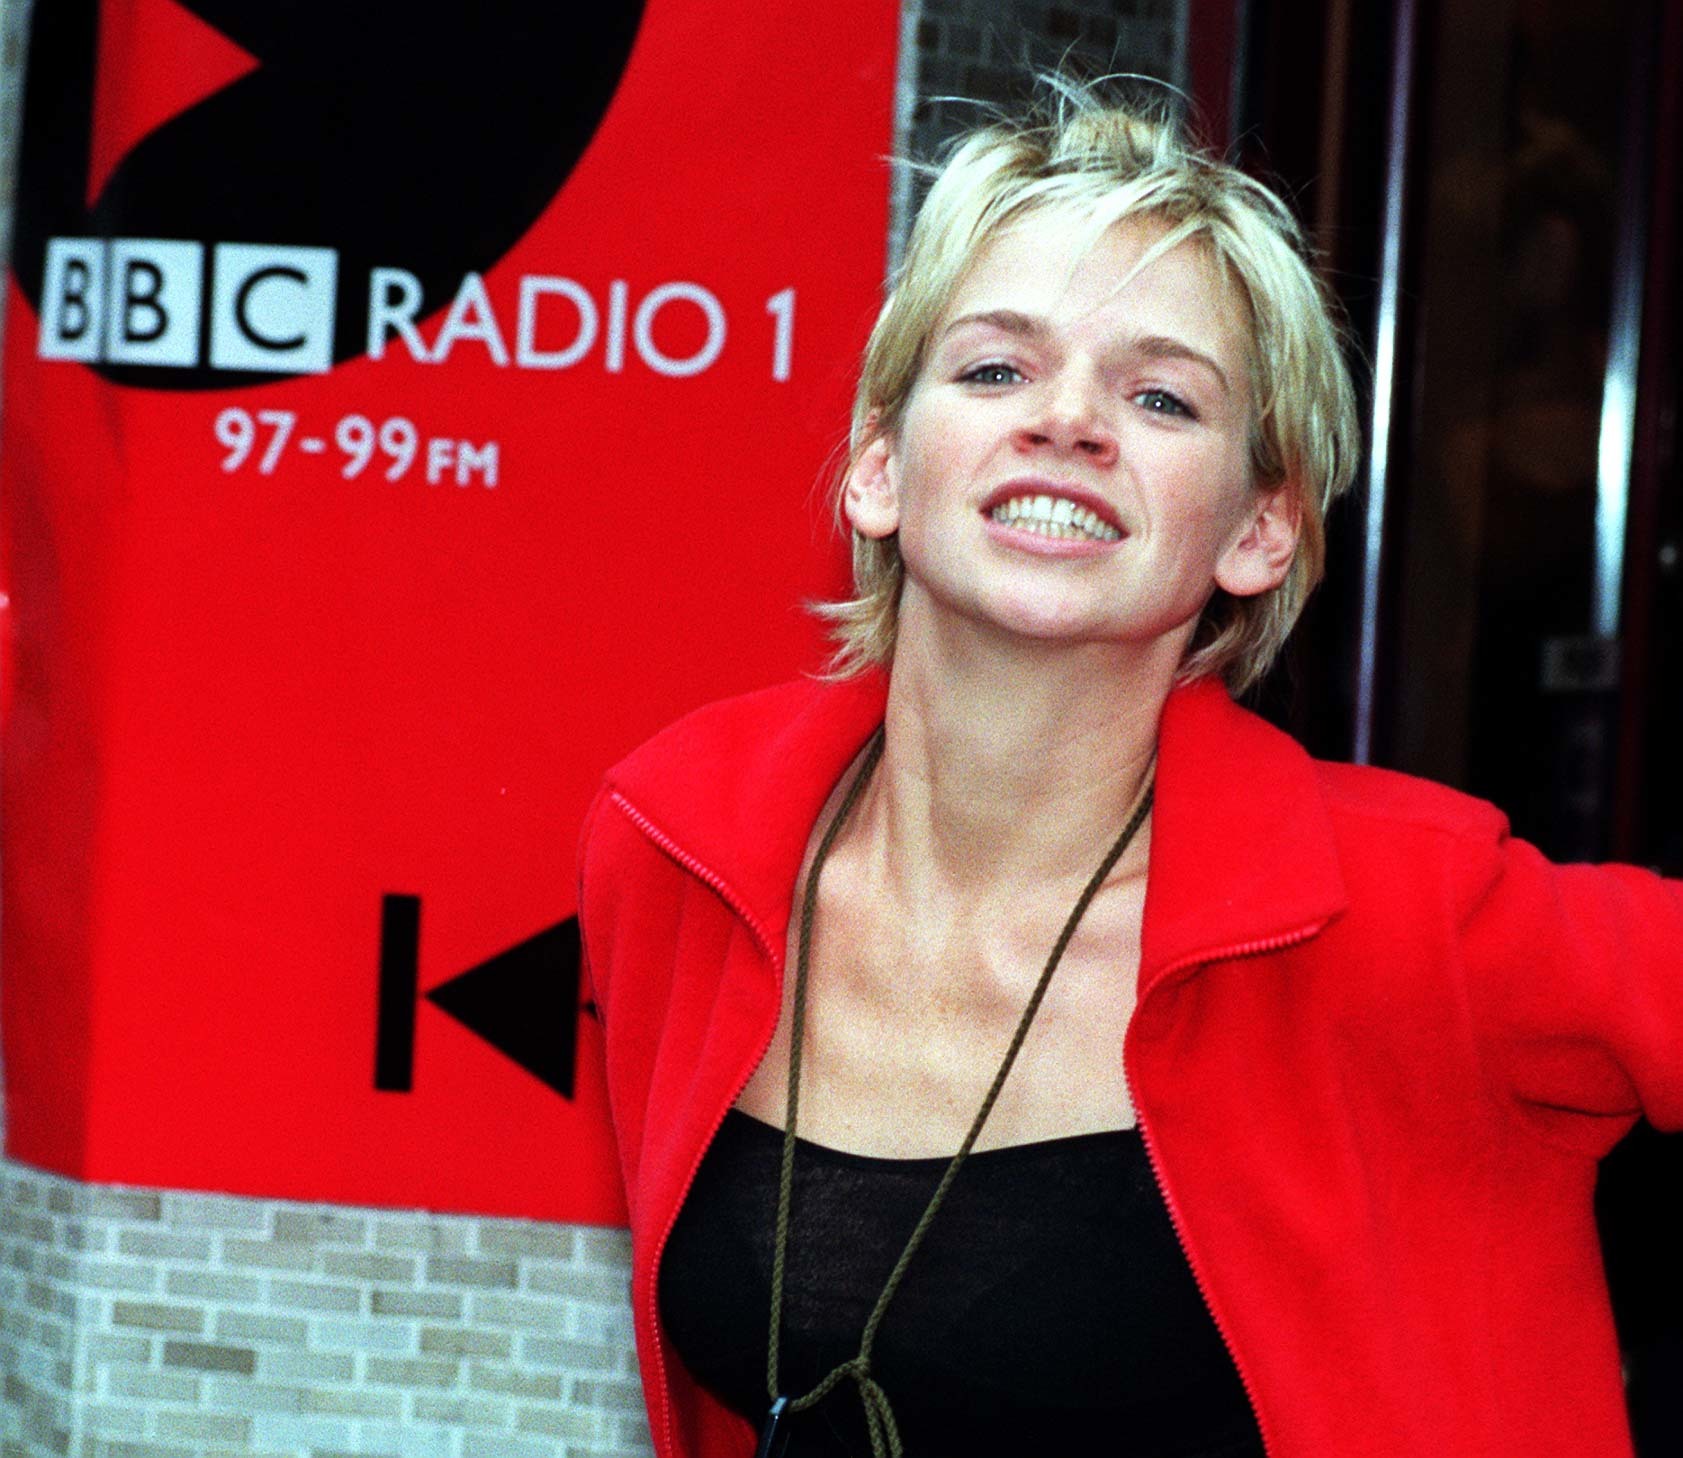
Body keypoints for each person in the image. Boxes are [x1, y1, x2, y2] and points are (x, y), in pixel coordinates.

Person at [576, 81, 1683, 1458]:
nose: (1070, 421)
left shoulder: (1415, 912)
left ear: (1258, 531)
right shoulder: (676, 849)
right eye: (995, 370)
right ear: (876, 466)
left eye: (1161, 396)